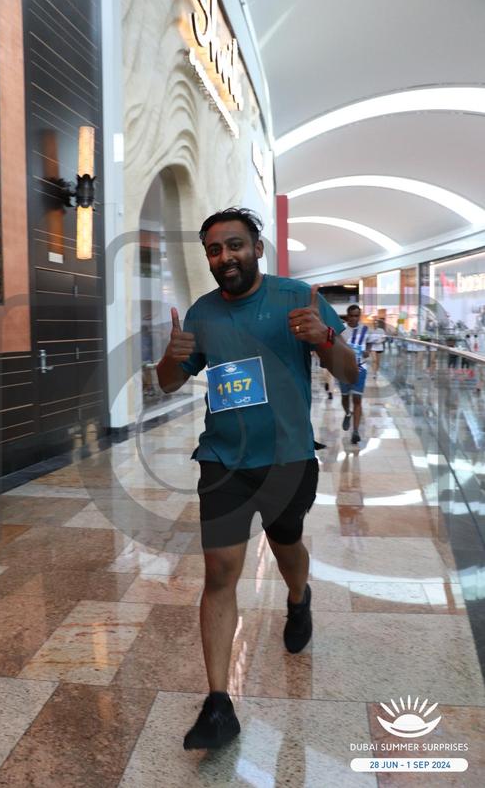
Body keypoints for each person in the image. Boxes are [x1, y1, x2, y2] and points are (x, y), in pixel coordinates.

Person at [157, 207, 357, 751]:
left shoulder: (297, 298)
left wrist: (324, 338)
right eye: (214, 249)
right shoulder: (202, 313)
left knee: (286, 543)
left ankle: (298, 595)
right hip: (223, 460)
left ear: (257, 249)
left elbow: (350, 372)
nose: (225, 256)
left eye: (235, 245)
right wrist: (171, 358)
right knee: (220, 571)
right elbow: (169, 382)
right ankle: (218, 704)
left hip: (287, 459)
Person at [340, 304, 369, 444]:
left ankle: (355, 431)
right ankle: (347, 413)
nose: (354, 318)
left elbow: (369, 344)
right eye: (351, 316)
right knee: (345, 397)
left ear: (359, 316)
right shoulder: (341, 330)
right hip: (344, 369)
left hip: (360, 367)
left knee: (357, 399)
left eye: (356, 316)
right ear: (347, 316)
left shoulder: (366, 330)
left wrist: (367, 352)